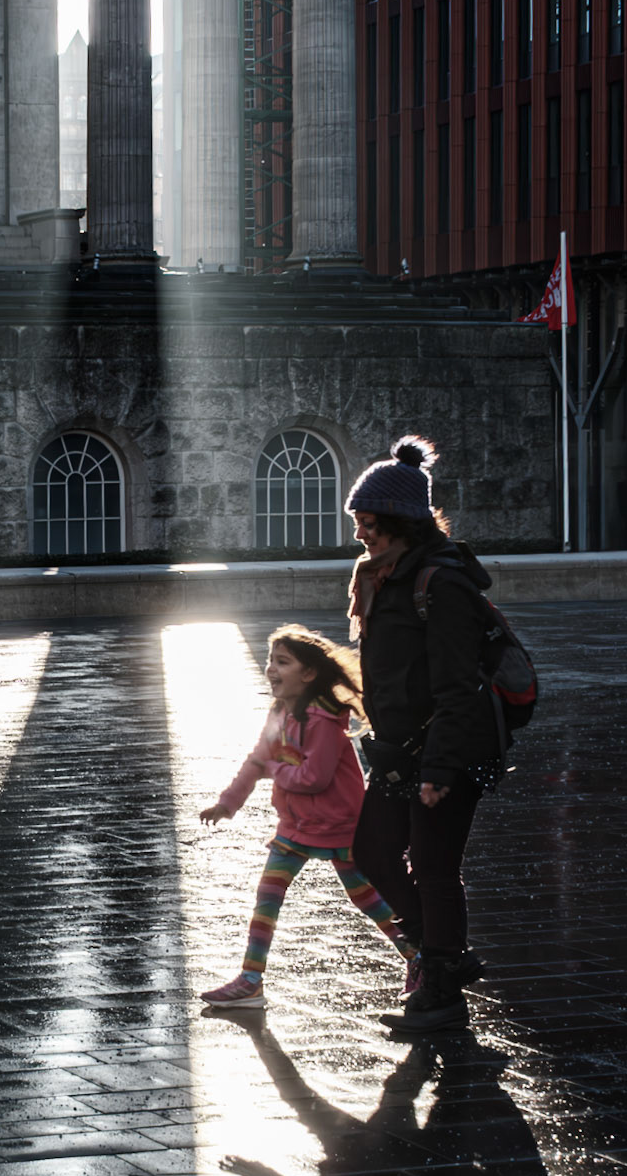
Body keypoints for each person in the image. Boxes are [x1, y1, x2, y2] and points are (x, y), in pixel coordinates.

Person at [346, 436, 501, 1031]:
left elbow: (458, 687)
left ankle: (439, 990)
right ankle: (440, 959)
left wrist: (439, 770)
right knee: (372, 853)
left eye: (367, 522)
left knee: (434, 866)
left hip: (447, 753)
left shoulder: (442, 583)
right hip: (397, 751)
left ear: (400, 521)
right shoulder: (382, 576)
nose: (360, 533)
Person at [196, 625, 412, 1009]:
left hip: (338, 827)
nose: (271, 669)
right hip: (294, 828)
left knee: (367, 899)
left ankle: (418, 956)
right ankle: (250, 980)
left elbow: (313, 778)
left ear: (309, 673)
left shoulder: (327, 721)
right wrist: (228, 803)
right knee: (268, 897)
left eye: (283, 662)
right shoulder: (279, 711)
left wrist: (276, 770)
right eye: (270, 661)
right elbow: (258, 759)